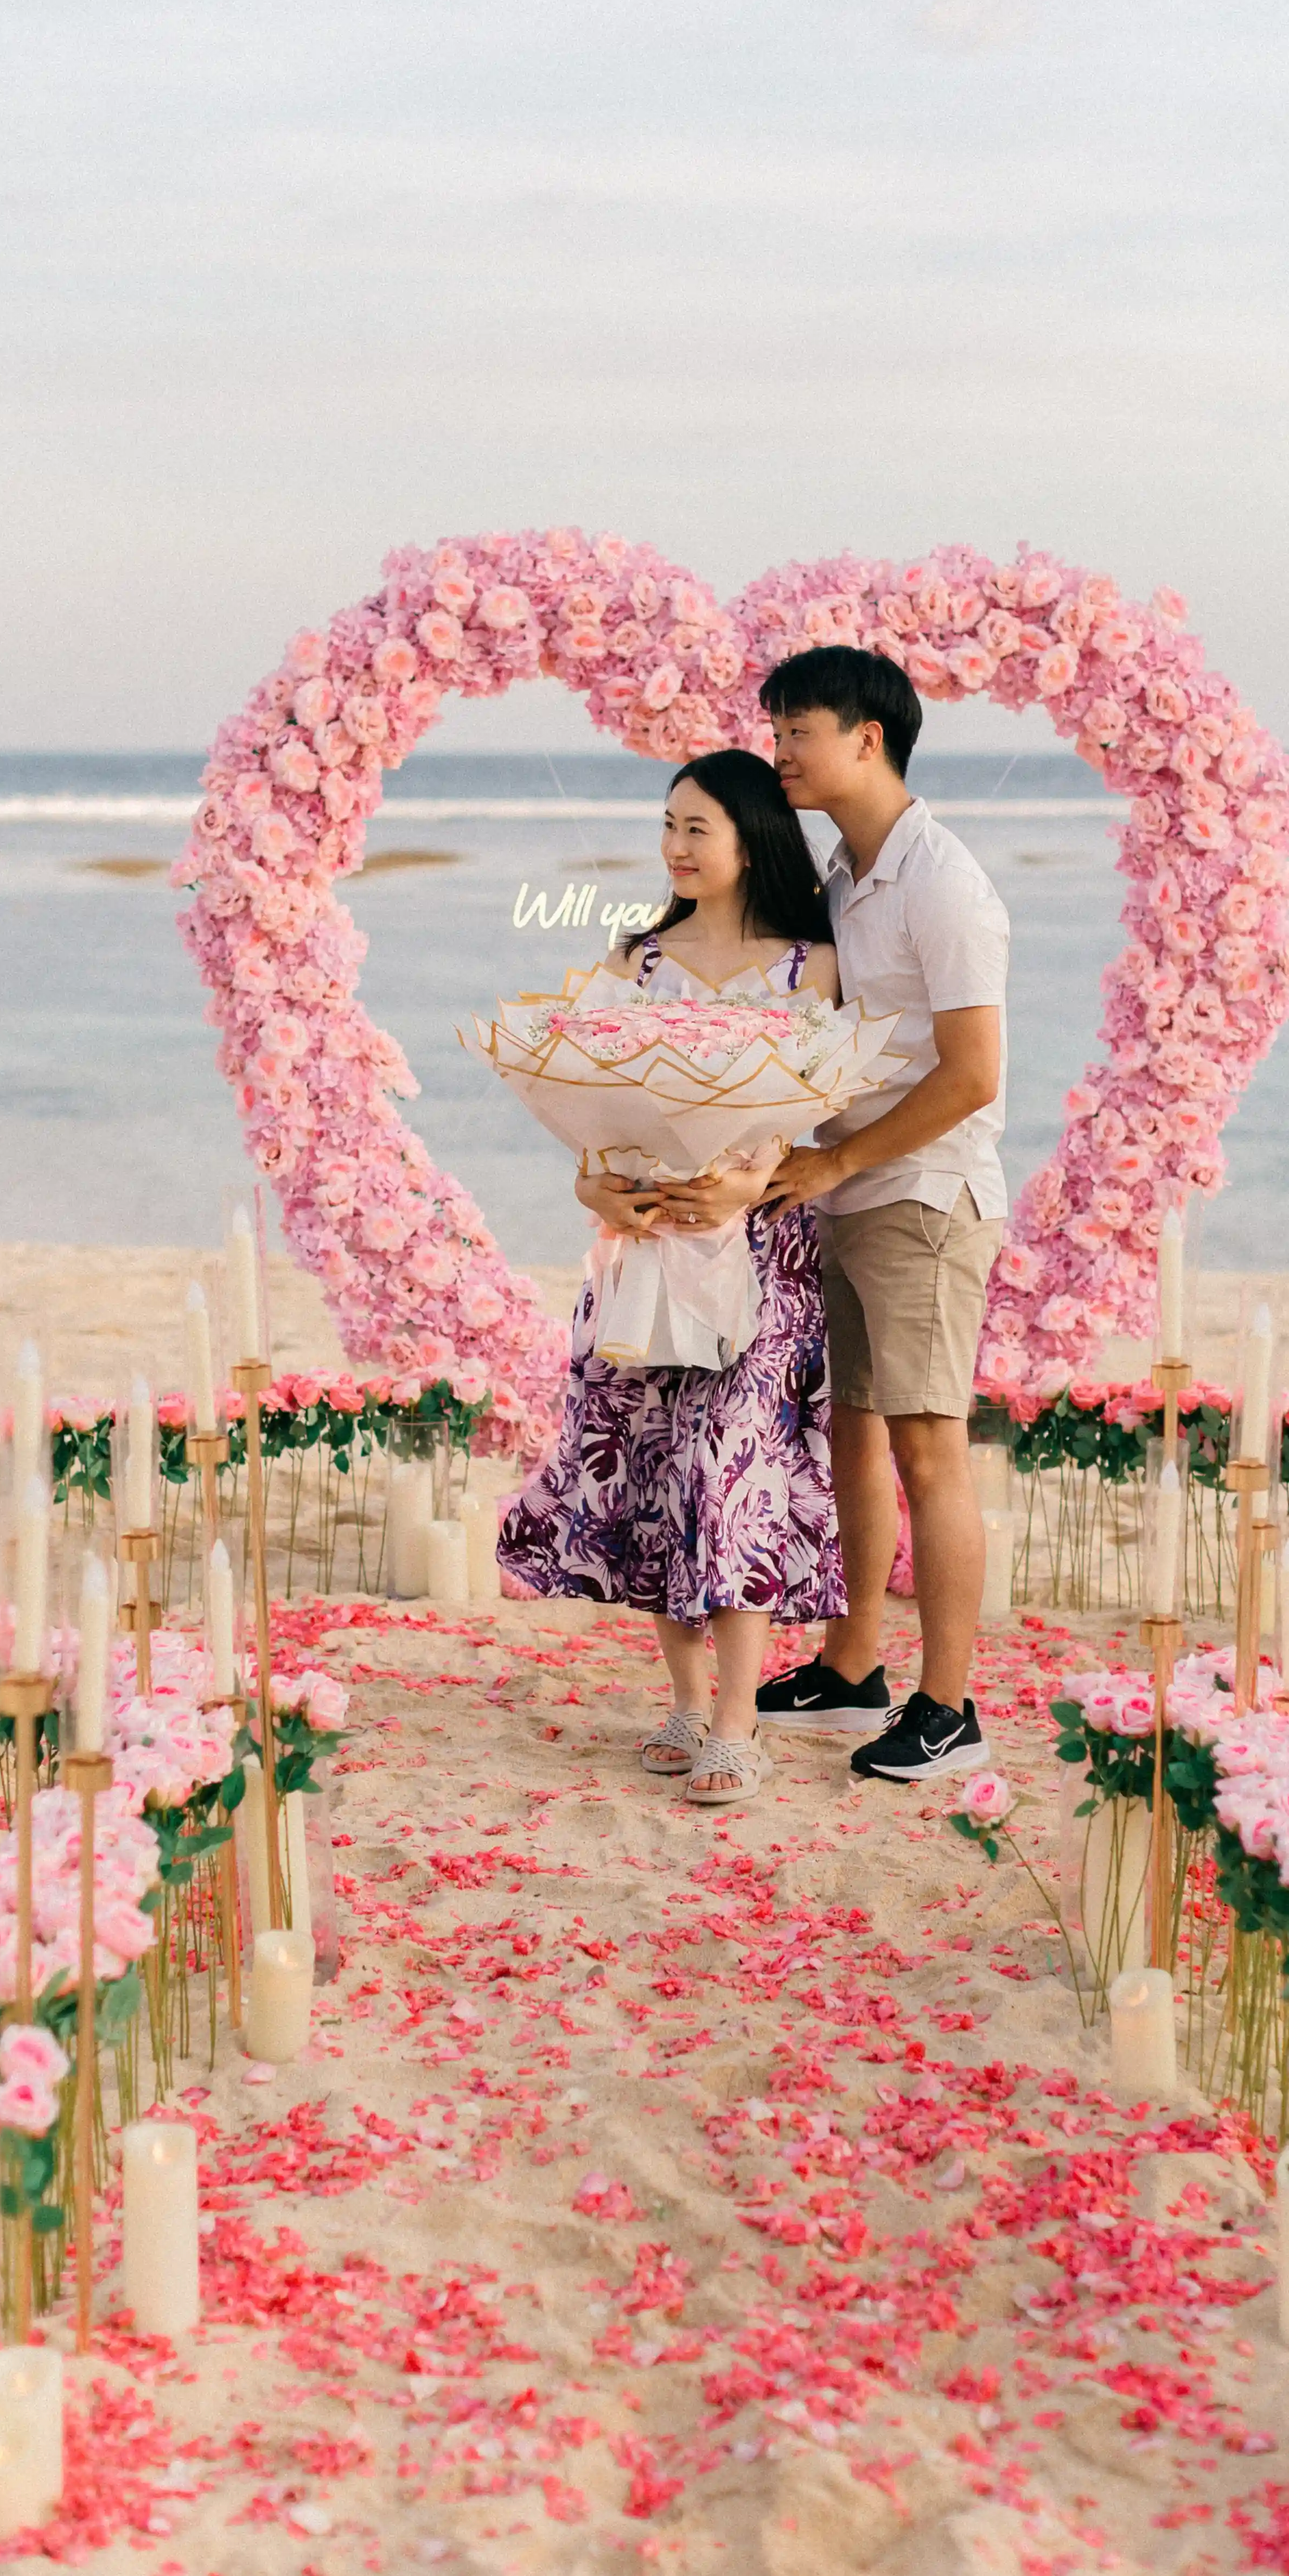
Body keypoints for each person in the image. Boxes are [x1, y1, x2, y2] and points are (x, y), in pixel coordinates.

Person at [497, 749, 845, 1804]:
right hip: (646, 1254)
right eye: (668, 826)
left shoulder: (812, 966)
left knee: (734, 1468)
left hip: (763, 1259)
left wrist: (745, 1180)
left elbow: (828, 1114)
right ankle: (689, 1701)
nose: (676, 847)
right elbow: (591, 1120)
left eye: (697, 827)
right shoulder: (634, 961)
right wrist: (599, 1191)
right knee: (652, 1472)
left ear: (752, 836)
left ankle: (740, 1721)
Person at [751, 645, 1010, 1783]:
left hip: (925, 1195)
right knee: (853, 1426)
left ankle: (948, 1706)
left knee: (927, 1444)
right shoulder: (851, 874)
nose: (779, 749)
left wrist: (840, 1157)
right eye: (775, 729)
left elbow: (973, 1071)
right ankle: (852, 1666)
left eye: (797, 728)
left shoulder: (943, 880)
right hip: (856, 1187)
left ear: (868, 736)